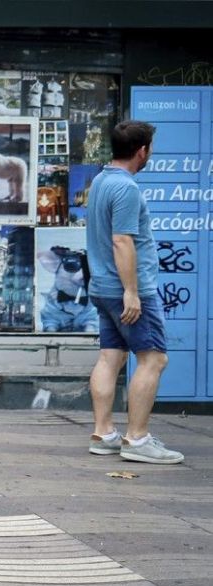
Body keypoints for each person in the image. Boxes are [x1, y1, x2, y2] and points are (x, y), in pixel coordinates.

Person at [86, 121, 182, 465]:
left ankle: (104, 433)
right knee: (154, 359)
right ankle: (137, 439)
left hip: (101, 286)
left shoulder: (100, 180)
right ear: (142, 150)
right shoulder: (126, 188)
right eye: (151, 147)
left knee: (111, 357)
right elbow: (122, 240)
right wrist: (132, 291)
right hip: (124, 288)